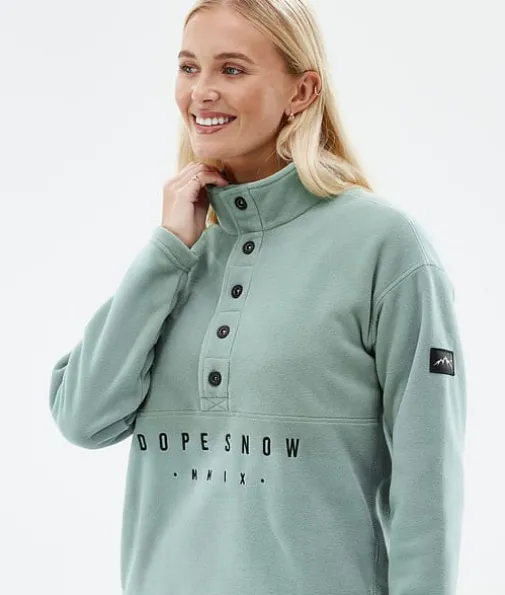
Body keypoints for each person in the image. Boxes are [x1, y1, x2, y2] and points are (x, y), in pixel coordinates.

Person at [48, 1, 467, 594]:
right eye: (189, 67)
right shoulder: (181, 255)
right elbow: (81, 418)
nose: (201, 92)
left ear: (302, 92)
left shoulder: (386, 248)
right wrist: (167, 251)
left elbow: (429, 487)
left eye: (232, 69)